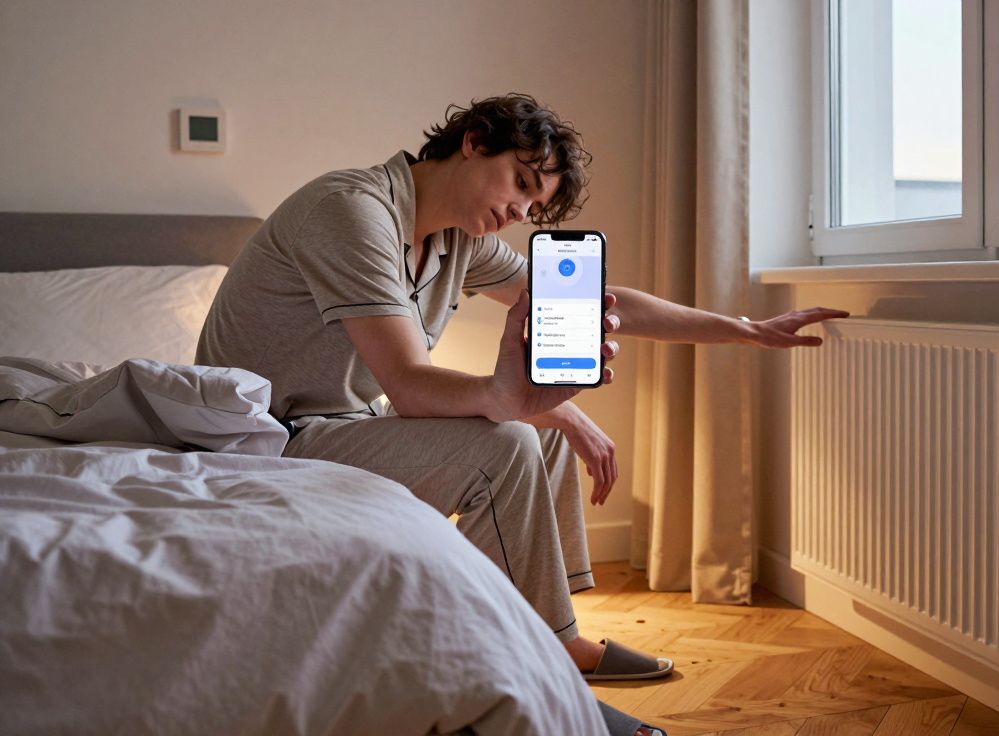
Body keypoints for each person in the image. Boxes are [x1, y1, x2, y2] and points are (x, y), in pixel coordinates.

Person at [197, 93, 846, 708]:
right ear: (474, 143)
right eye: (521, 187)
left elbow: (601, 298)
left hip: (339, 422)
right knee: (505, 442)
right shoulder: (351, 212)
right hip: (265, 437)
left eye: (535, 206)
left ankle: (549, 632)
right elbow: (410, 384)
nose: (521, 213)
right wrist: (516, 400)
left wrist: (743, 330)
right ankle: (529, 658)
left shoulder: (456, 240)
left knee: (549, 429)